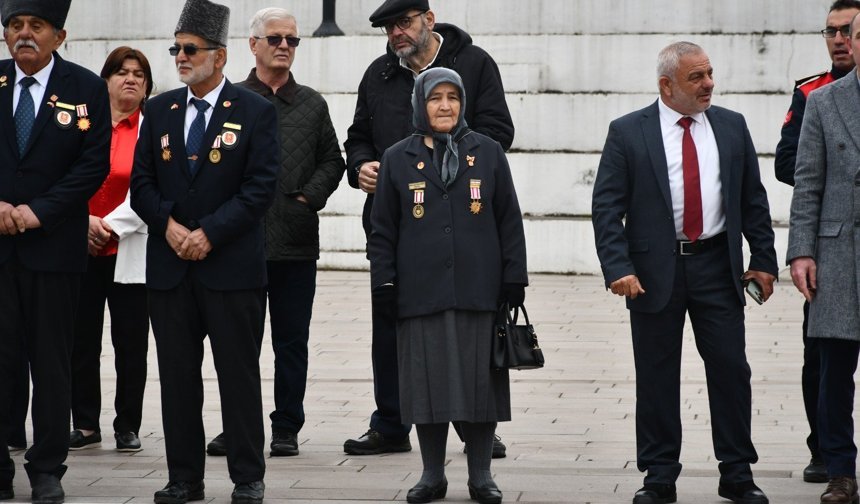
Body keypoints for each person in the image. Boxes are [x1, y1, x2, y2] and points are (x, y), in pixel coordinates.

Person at [591, 41, 778, 504]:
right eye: (696, 77)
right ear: (666, 85)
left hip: (718, 265)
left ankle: (736, 472)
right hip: (653, 273)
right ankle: (658, 475)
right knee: (656, 375)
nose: (708, 84)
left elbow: (753, 200)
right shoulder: (628, 132)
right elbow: (606, 208)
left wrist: (764, 260)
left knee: (732, 369)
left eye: (710, 73)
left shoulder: (732, 127)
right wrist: (618, 267)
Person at [343, 0, 514, 458]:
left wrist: (446, 161)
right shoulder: (378, 74)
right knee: (393, 325)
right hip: (398, 227)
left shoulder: (474, 65)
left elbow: (499, 130)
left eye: (403, 22)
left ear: (429, 20)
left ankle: (474, 426)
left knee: (467, 331)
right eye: (387, 27)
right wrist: (360, 166)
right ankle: (392, 423)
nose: (396, 33)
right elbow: (357, 135)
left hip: (464, 223)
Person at [129, 0, 278, 503]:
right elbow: (141, 184)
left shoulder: (255, 111)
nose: (180, 57)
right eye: (176, 48)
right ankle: (184, 478)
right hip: (171, 270)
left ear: (220, 55)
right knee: (176, 378)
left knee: (238, 376)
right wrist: (168, 225)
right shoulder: (158, 110)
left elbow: (260, 188)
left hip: (230, 268)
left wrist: (210, 232)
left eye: (190, 49)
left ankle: (247, 476)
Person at [369, 67, 526, 504]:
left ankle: (481, 477)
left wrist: (515, 276)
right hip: (420, 293)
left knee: (481, 390)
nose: (444, 106)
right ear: (420, 103)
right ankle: (431, 475)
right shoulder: (398, 157)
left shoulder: (488, 152)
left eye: (452, 98)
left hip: (480, 291)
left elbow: (509, 218)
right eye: (435, 97)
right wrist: (383, 282)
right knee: (427, 388)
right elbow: (383, 229)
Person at [205, 7, 345, 459]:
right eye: (276, 38)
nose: (285, 45)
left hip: (295, 243)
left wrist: (308, 198)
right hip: (239, 244)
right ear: (253, 45)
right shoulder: (228, 99)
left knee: (291, 343)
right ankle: (237, 426)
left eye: (292, 39)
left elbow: (333, 160)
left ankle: (286, 426)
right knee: (236, 346)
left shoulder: (312, 103)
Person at [0, 0, 111, 501]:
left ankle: (46, 468)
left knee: (50, 361)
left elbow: (92, 166)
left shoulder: (85, 88)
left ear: (59, 36)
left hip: (54, 250)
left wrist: (37, 211)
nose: (24, 34)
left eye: (36, 26)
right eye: (15, 25)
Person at [774, 0, 860, 484]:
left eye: (847, 30)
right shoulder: (813, 93)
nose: (839, 40)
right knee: (824, 360)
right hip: (836, 244)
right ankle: (827, 454)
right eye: (830, 32)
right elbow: (792, 168)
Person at [68, 46, 153, 454]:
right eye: (121, 72)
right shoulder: (84, 122)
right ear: (106, 79)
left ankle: (127, 424)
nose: (130, 79)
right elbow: (65, 174)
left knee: (130, 342)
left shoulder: (152, 127)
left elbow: (151, 188)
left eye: (139, 73)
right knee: (80, 339)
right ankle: (84, 423)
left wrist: (109, 226)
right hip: (78, 245)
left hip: (128, 249)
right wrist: (81, 222)